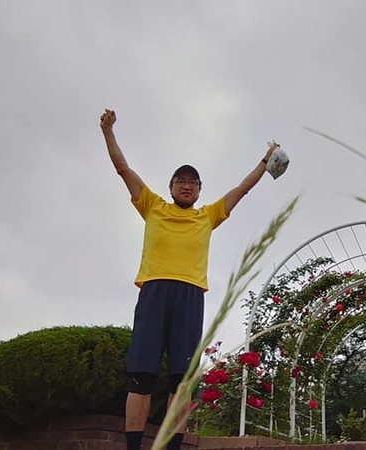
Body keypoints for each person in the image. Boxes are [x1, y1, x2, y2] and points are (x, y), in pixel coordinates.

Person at [99, 109, 279, 450]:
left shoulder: (207, 215)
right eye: (180, 181)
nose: (187, 185)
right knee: (141, 377)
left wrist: (265, 159)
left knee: (181, 382)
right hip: (154, 291)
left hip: (190, 296)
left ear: (199, 191)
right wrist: (108, 131)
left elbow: (242, 189)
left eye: (193, 182)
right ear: (170, 188)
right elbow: (123, 169)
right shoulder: (152, 206)